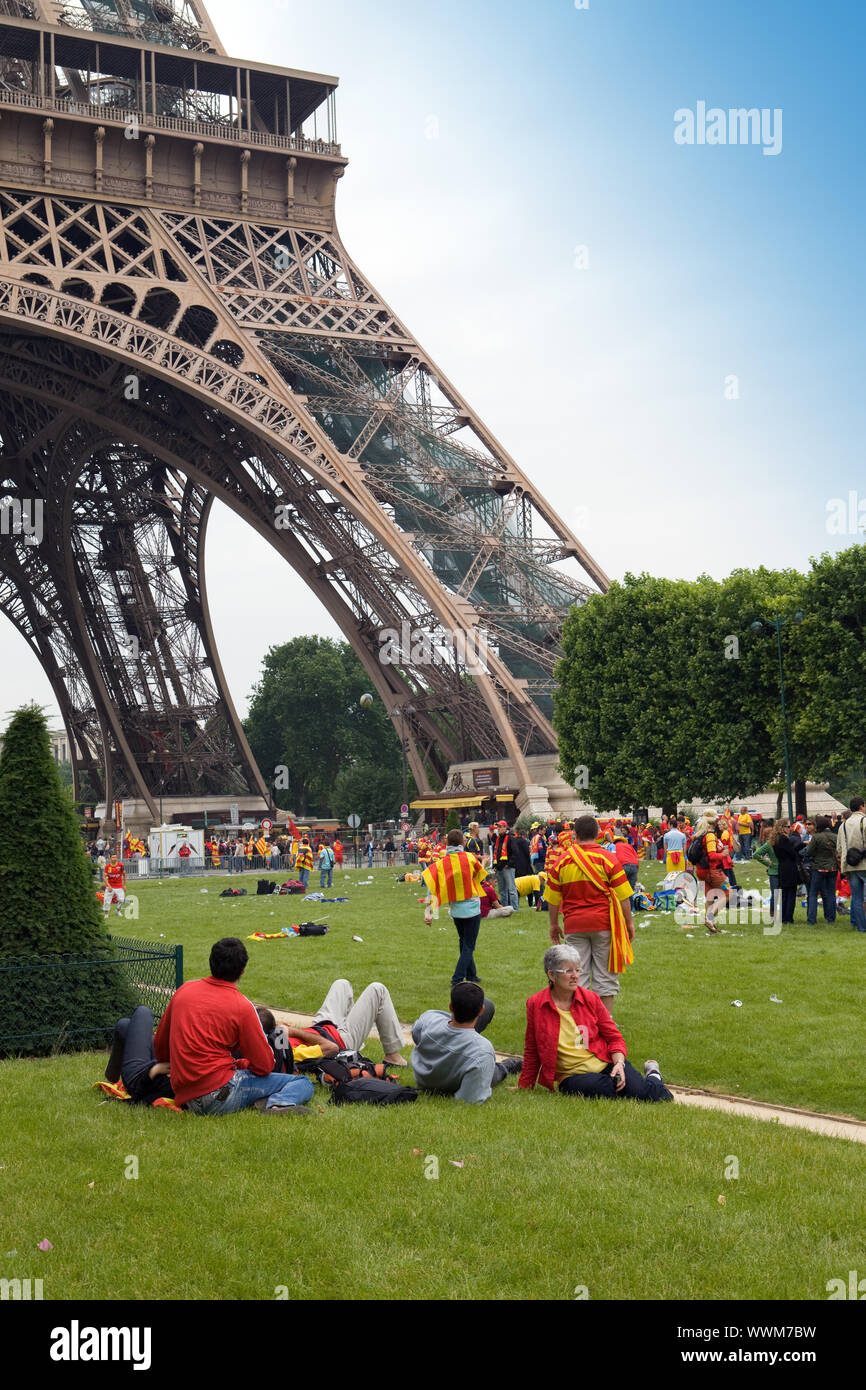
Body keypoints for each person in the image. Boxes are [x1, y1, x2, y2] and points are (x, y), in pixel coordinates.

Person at [152, 937, 314, 1115]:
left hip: (184, 1094)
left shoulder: (184, 991)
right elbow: (265, 1065)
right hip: (220, 1094)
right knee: (303, 1083)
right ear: (242, 971)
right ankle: (277, 1104)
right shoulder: (242, 1006)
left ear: (211, 962)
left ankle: (262, 1100)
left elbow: (160, 1042)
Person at [518, 945, 672, 1101]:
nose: (575, 976)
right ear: (551, 975)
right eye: (568, 971)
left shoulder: (590, 999)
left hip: (606, 1064)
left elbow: (614, 1038)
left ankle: (653, 1074)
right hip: (572, 1076)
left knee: (651, 1095)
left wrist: (619, 1064)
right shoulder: (536, 1004)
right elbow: (532, 1049)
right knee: (607, 1089)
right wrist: (525, 1085)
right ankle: (635, 1085)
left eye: (577, 970)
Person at [545, 814, 634, 1013]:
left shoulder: (563, 860)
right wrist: (629, 924)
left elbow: (552, 898)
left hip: (574, 925)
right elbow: (624, 897)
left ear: (575, 834)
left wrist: (553, 924)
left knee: (577, 975)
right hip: (603, 924)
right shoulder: (608, 858)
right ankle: (606, 1023)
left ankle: (581, 1022)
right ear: (598, 834)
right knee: (605, 976)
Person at [411, 983, 522, 1103]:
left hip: (424, 1077)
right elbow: (471, 1098)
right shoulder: (482, 1051)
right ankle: (507, 1067)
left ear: (451, 1007)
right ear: (481, 1010)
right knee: (493, 1070)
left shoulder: (428, 1020)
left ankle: (462, 1030)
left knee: (488, 1005)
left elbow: (416, 1033)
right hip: (456, 1079)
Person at [286, 977, 409, 1066]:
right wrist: (293, 1031)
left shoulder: (273, 1041)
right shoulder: (285, 1053)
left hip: (319, 1029)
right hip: (338, 1042)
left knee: (341, 984)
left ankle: (355, 1053)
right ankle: (393, 1057)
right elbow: (330, 1048)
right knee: (378, 990)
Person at [422, 829, 488, 986]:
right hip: (472, 907)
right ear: (463, 843)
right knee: (468, 946)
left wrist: (429, 912)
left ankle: (472, 975)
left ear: (447, 843)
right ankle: (457, 979)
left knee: (464, 942)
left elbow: (432, 888)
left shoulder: (441, 863)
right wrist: (484, 861)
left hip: (456, 911)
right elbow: (479, 875)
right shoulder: (470, 858)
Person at [105, 1006, 174, 1104]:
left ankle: (110, 1079)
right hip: (159, 1062)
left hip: (141, 1077)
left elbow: (147, 1095)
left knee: (142, 1012)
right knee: (124, 1025)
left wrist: (153, 1071)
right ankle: (111, 1079)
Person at [837, 798, 866, 933]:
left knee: (856, 898)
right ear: (861, 806)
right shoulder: (864, 821)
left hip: (850, 865)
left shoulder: (843, 825)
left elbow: (839, 848)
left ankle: (861, 927)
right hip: (864, 863)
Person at [804, 816, 838, 924]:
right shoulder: (835, 836)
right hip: (832, 868)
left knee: (813, 894)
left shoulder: (816, 837)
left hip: (818, 868)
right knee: (830, 893)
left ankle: (811, 919)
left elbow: (808, 852)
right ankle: (831, 918)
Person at [769, 819, 802, 925]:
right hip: (789, 867)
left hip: (782, 866)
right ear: (782, 827)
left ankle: (783, 917)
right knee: (791, 894)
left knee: (784, 894)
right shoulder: (784, 839)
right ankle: (788, 918)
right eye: (788, 827)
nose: (790, 829)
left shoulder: (776, 839)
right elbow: (792, 853)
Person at [752, 828, 780, 919]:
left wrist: (767, 862)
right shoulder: (769, 844)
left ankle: (773, 913)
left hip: (775, 871)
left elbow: (756, 854)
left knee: (775, 893)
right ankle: (773, 913)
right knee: (776, 894)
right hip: (775, 871)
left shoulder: (771, 843)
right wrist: (767, 862)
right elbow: (756, 854)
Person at [492, 820, 519, 911]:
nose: (498, 829)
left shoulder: (511, 838)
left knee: (511, 890)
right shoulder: (498, 839)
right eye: (497, 827)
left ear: (505, 827)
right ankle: (504, 908)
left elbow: (515, 853)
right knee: (502, 890)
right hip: (499, 868)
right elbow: (496, 853)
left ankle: (515, 909)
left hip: (508, 868)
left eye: (499, 827)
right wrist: (494, 866)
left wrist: (508, 864)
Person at [102, 848, 126, 920]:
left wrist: (124, 885)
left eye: (115, 857)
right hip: (110, 886)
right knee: (106, 901)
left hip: (119, 886)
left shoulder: (121, 865)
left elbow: (124, 875)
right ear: (110, 858)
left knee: (121, 900)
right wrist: (108, 886)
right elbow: (104, 877)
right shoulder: (107, 867)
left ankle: (117, 911)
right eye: (113, 857)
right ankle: (106, 914)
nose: (114, 858)